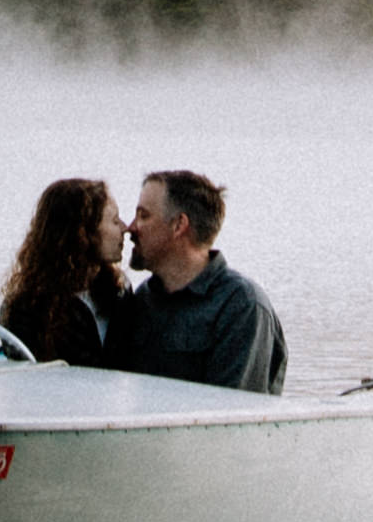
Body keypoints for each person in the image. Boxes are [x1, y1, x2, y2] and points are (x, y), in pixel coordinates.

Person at [106, 166, 285, 393]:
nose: (131, 227)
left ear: (179, 225)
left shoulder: (242, 306)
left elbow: (233, 416)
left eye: (144, 216)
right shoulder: (142, 300)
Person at [0, 173, 124, 363]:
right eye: (115, 221)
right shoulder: (26, 309)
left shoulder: (119, 292)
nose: (124, 227)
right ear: (84, 233)